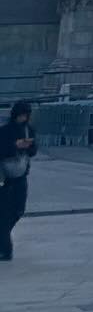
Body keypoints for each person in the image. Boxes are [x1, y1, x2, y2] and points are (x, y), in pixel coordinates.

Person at [0, 100, 38, 262]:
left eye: (26, 115)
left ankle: (2, 240)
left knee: (18, 210)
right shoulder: (5, 131)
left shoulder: (28, 130)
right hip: (5, 177)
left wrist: (28, 146)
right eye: (21, 115)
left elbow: (33, 152)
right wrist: (15, 145)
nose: (24, 118)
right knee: (4, 214)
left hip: (21, 175)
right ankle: (5, 249)